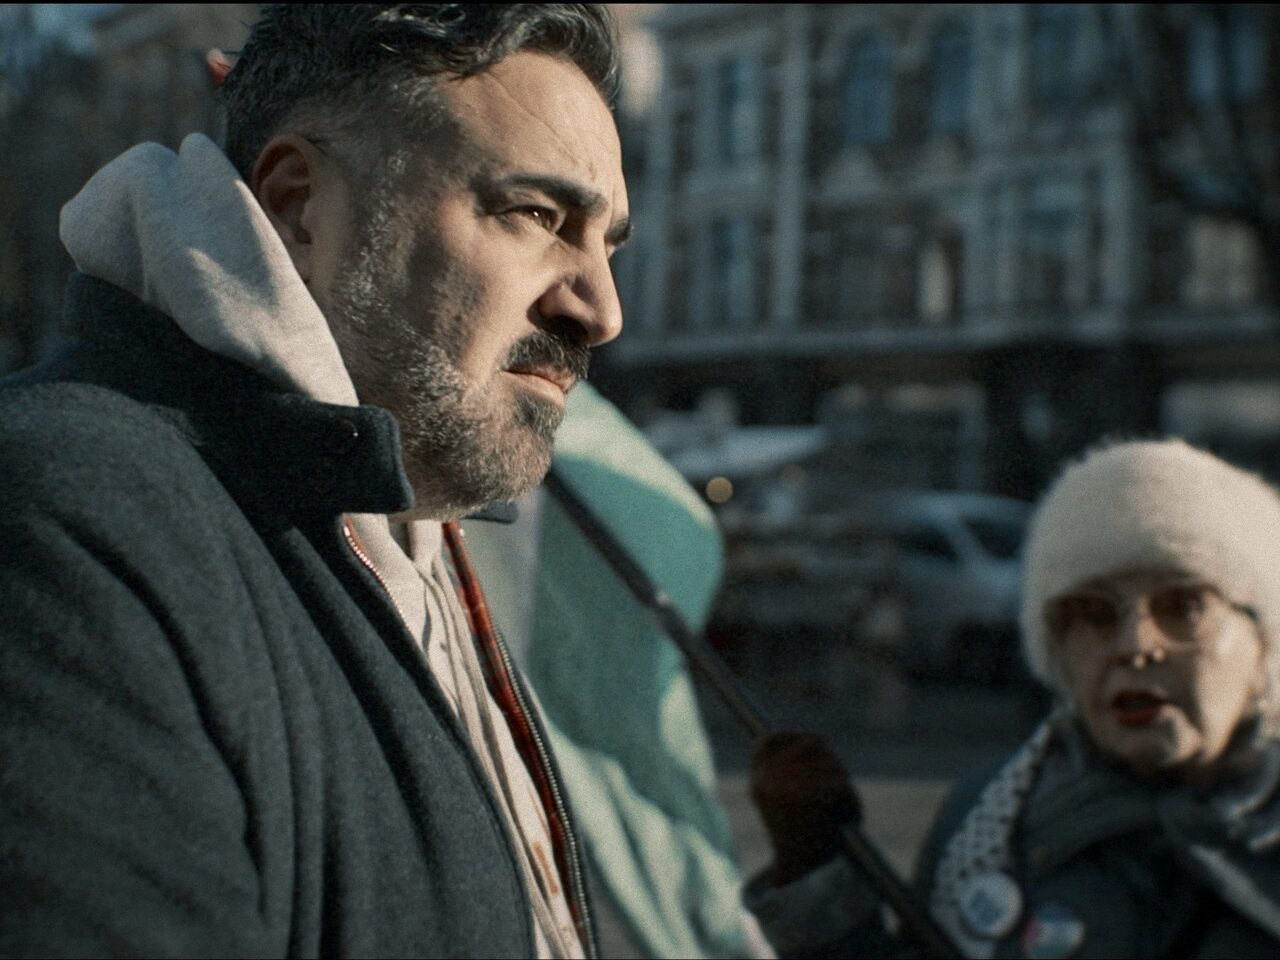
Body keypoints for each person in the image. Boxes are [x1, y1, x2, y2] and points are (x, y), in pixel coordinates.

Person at [0, 5, 629, 957]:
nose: (601, 309)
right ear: (298, 205)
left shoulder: (411, 526)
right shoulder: (64, 515)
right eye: (537, 216)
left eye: (608, 244)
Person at [748, 439, 1280, 958]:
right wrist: (818, 881)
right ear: (1058, 653)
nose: (1135, 646)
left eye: (1184, 608)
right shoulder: (987, 827)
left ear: (1263, 647)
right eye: (1093, 615)